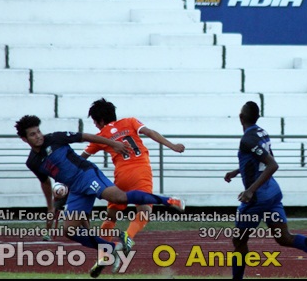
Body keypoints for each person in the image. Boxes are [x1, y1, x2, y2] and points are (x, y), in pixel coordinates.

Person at [15, 114, 185, 277]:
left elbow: (87, 137)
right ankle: (112, 249)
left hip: (87, 175)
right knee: (69, 230)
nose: (38, 136)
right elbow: (45, 182)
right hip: (76, 189)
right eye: (33, 134)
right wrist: (50, 207)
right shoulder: (32, 162)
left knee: (118, 198)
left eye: (38, 131)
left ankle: (170, 200)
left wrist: (113, 144)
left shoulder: (55, 138)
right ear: (24, 139)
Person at [223, 101, 307, 279]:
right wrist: (237, 171)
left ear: (241, 117)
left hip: (258, 198)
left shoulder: (247, 139)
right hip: (272, 193)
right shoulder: (262, 132)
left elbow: (272, 164)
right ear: (257, 117)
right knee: (284, 238)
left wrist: (250, 190)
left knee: (239, 240)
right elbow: (262, 161)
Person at [82, 98, 186, 250]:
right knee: (145, 211)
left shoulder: (100, 136)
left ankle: (104, 253)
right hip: (140, 171)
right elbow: (150, 132)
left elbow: (82, 157)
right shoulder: (129, 121)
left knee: (111, 216)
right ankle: (128, 235)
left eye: (95, 122)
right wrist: (173, 146)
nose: (95, 125)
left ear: (101, 120)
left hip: (121, 175)